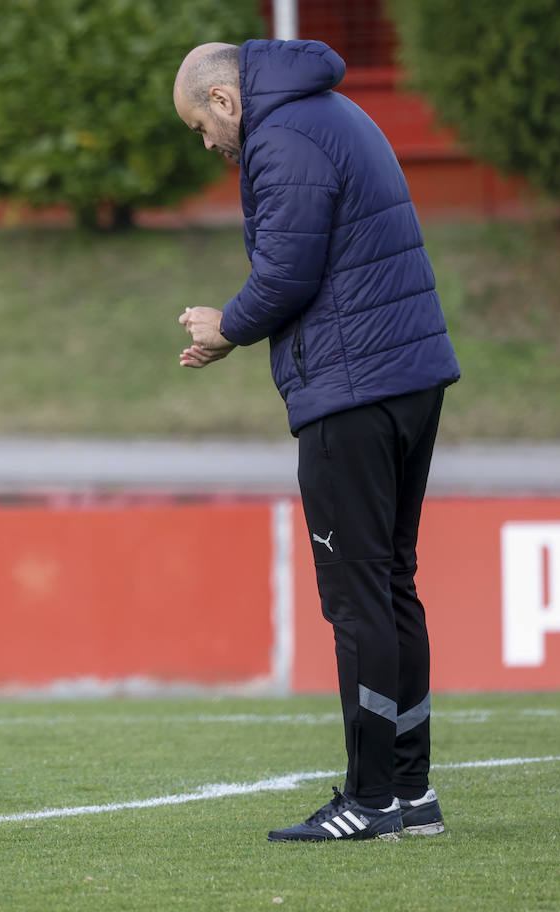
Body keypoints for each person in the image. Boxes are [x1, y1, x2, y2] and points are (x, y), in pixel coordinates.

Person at [171, 39, 461, 842]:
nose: (207, 143)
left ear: (226, 101)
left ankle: (370, 801)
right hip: (406, 378)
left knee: (358, 597)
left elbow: (289, 270)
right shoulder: (329, 112)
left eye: (202, 125)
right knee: (393, 584)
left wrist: (225, 325)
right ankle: (411, 794)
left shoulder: (281, 136)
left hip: (353, 390)